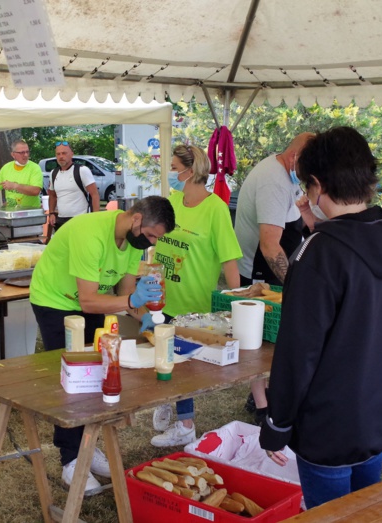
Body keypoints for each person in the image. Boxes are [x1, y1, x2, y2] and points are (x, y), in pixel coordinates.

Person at [259, 127, 382, 509]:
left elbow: (298, 351)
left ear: (316, 183)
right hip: (379, 411)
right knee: (365, 509)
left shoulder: (319, 254)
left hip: (330, 422)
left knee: (330, 513)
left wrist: (277, 423)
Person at [30, 195, 175, 494]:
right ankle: (70, 460)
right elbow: (88, 300)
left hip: (92, 303)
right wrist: (130, 301)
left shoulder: (132, 244)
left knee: (98, 374)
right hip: (56, 301)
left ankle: (87, 445)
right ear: (136, 219)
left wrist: (144, 314)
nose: (150, 244)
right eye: (150, 235)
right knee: (72, 381)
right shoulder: (90, 233)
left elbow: (124, 293)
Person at [149, 145, 242, 447]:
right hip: (162, 295)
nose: (171, 172)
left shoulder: (215, 209)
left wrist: (237, 303)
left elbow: (229, 259)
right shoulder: (172, 201)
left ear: (190, 171)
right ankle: (165, 398)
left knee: (185, 367)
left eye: (175, 167)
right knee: (160, 354)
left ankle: (186, 425)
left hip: (194, 303)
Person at [234, 133, 314, 423]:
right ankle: (263, 406)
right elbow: (269, 246)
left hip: (274, 267)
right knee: (263, 341)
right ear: (295, 158)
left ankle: (269, 393)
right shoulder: (274, 181)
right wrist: (294, 284)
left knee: (278, 338)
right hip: (260, 270)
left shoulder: (287, 176)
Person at [47, 141, 100, 231]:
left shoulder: (82, 170)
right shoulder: (54, 173)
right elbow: (52, 195)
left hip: (80, 219)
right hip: (60, 220)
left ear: (71, 154)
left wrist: (95, 217)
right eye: (58, 154)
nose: (61, 157)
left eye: (64, 153)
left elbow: (94, 194)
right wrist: (51, 213)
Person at [0, 140, 43, 209]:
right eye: (22, 152)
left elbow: (35, 191)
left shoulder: (35, 168)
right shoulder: (6, 168)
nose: (25, 155)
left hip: (30, 213)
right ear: (13, 154)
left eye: (27, 152)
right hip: (11, 212)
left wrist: (15, 186)